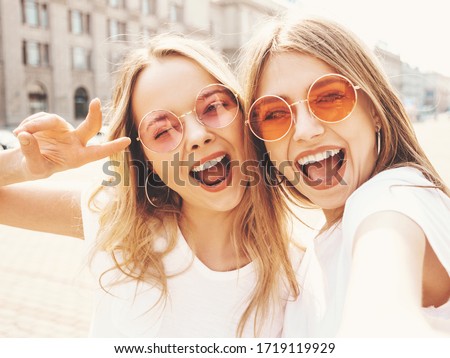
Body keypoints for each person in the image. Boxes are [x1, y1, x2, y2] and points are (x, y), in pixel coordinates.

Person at [0, 34, 299, 337]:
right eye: (162, 130)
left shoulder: (298, 272)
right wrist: (23, 166)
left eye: (213, 107)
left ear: (244, 115)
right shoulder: (114, 222)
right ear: (146, 159)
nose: (197, 135)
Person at [239, 15, 450, 337]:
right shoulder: (308, 257)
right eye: (275, 114)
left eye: (330, 97)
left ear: (376, 111)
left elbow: (385, 314)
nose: (306, 131)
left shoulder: (391, 198)